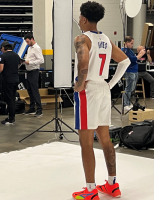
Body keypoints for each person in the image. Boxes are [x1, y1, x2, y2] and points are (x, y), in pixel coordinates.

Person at [72, 1, 130, 200]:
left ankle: (90, 190)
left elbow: (83, 62)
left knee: (86, 142)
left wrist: (80, 84)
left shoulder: (82, 38)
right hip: (103, 89)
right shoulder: (105, 38)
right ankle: (112, 185)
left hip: (88, 91)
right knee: (105, 139)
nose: (79, 20)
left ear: (85, 18)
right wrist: (111, 84)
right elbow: (125, 61)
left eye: (80, 17)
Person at [0, 41, 20, 125]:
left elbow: (0, 69)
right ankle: (12, 116)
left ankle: (11, 118)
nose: (1, 50)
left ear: (4, 48)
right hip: (16, 79)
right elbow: (17, 66)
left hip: (7, 80)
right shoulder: (16, 55)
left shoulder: (3, 56)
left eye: (1, 48)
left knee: (9, 99)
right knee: (13, 98)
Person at [122, 36, 145, 112]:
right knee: (128, 88)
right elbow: (132, 59)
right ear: (127, 43)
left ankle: (128, 103)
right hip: (129, 71)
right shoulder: (125, 50)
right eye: (131, 43)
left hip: (134, 70)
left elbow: (135, 57)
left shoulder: (130, 50)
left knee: (132, 88)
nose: (132, 45)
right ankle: (126, 104)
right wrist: (140, 54)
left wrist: (138, 56)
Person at [23, 33, 44, 117]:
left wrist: (30, 62)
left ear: (32, 39)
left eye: (28, 41)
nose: (27, 43)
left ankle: (39, 109)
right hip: (28, 71)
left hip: (34, 71)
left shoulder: (37, 48)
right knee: (30, 90)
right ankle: (32, 108)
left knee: (34, 90)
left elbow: (41, 60)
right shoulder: (29, 48)